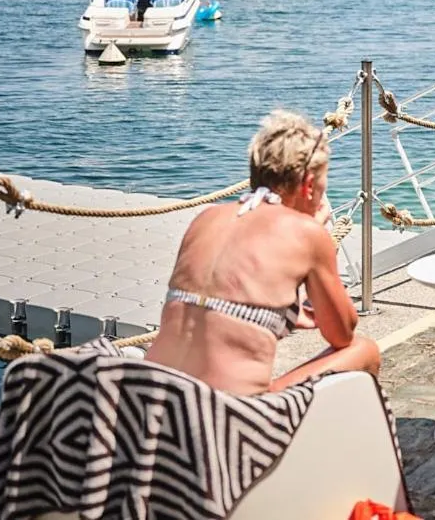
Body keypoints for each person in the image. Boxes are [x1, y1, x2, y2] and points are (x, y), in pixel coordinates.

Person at [146, 110, 379, 396]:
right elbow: (342, 333)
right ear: (308, 185)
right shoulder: (307, 234)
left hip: (150, 395)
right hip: (221, 412)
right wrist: (317, 237)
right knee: (364, 351)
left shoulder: (207, 218)